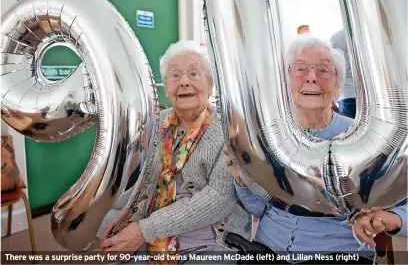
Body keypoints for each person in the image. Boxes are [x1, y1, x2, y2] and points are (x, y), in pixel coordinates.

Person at [226, 34, 407, 264]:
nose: (311, 78)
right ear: (284, 85)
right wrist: (242, 179)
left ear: (338, 87)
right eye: (300, 69)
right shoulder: (269, 137)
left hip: (336, 252)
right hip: (267, 248)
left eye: (323, 71)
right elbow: (261, 209)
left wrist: (392, 218)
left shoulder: (365, 139)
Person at [99, 40, 251, 263]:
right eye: (175, 75)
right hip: (158, 223)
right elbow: (147, 180)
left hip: (211, 237)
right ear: (166, 87)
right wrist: (129, 214)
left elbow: (219, 200)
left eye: (194, 74)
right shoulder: (156, 124)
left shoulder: (230, 128)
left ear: (210, 86)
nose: (184, 82)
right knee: (110, 225)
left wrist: (142, 230)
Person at [331, 29, 356, 118]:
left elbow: (333, 69)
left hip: (347, 93)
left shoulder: (336, 37)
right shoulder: (365, 32)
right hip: (369, 94)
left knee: (349, 129)